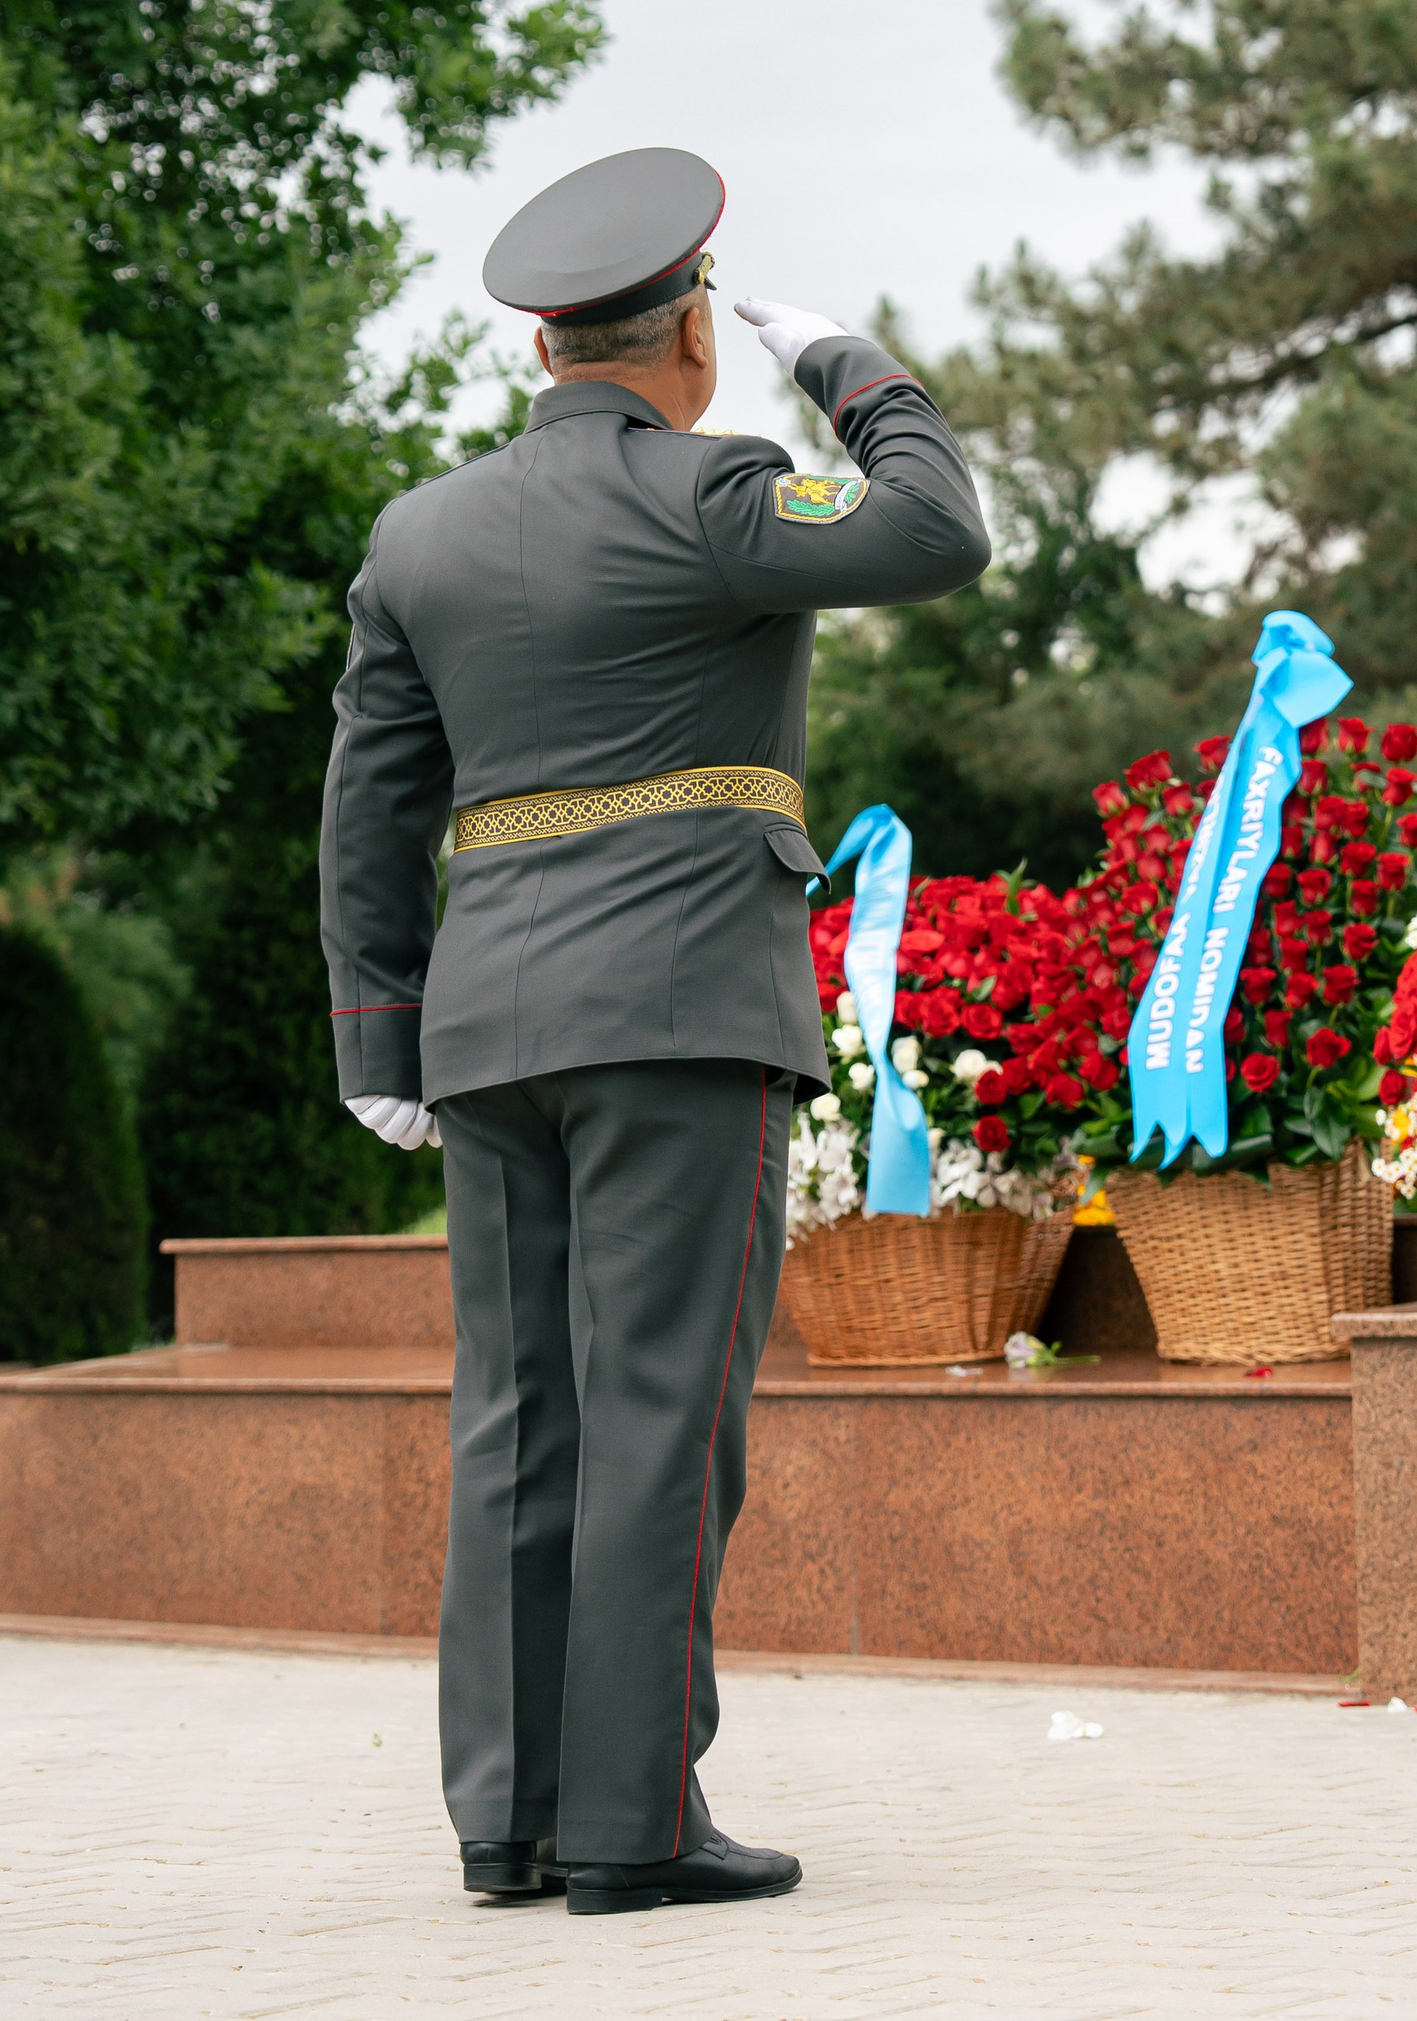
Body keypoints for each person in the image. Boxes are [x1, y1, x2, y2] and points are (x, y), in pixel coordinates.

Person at [318, 146, 989, 1916]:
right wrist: (852, 367)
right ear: (690, 330)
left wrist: (379, 1037)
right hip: (683, 1008)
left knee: (517, 1417)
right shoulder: (714, 490)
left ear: (547, 347)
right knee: (663, 1415)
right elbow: (937, 528)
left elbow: (369, 801)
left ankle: (509, 1824)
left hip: (487, 1027)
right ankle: (632, 1828)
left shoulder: (419, 535)